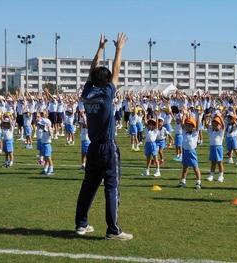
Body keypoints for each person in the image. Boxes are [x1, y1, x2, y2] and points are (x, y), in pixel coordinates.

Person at [75, 33, 133, 240]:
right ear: (107, 81)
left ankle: (81, 224)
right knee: (111, 187)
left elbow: (92, 74)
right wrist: (119, 49)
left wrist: (100, 48)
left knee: (88, 186)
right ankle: (112, 230)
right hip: (108, 147)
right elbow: (116, 71)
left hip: (92, 147)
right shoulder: (107, 93)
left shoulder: (87, 93)